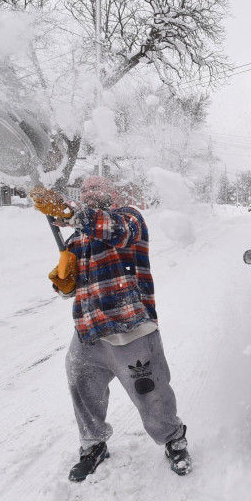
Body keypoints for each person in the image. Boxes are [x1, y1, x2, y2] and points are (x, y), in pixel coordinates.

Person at [31, 176, 191, 481]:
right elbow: (74, 287)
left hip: (130, 328)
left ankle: (173, 438)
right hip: (89, 332)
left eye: (97, 187)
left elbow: (114, 231)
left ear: (112, 193)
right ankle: (93, 445)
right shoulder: (77, 238)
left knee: (151, 394)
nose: (90, 192)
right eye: (86, 189)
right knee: (82, 386)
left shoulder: (128, 219)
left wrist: (69, 212)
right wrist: (64, 283)